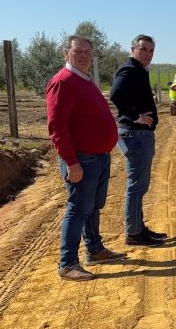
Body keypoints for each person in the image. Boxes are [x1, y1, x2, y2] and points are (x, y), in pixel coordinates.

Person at [46, 35, 125, 281]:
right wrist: (71, 162)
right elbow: (57, 127)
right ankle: (67, 263)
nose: (83, 56)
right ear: (66, 54)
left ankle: (95, 249)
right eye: (78, 51)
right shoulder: (63, 82)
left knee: (92, 206)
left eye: (87, 52)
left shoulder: (84, 80)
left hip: (99, 157)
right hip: (82, 159)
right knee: (79, 209)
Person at [109, 34, 167, 246]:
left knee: (139, 186)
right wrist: (135, 117)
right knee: (136, 186)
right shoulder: (129, 69)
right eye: (143, 49)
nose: (148, 54)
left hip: (138, 134)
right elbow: (115, 94)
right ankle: (134, 233)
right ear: (132, 49)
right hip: (135, 133)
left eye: (151, 50)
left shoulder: (138, 70)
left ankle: (138, 227)